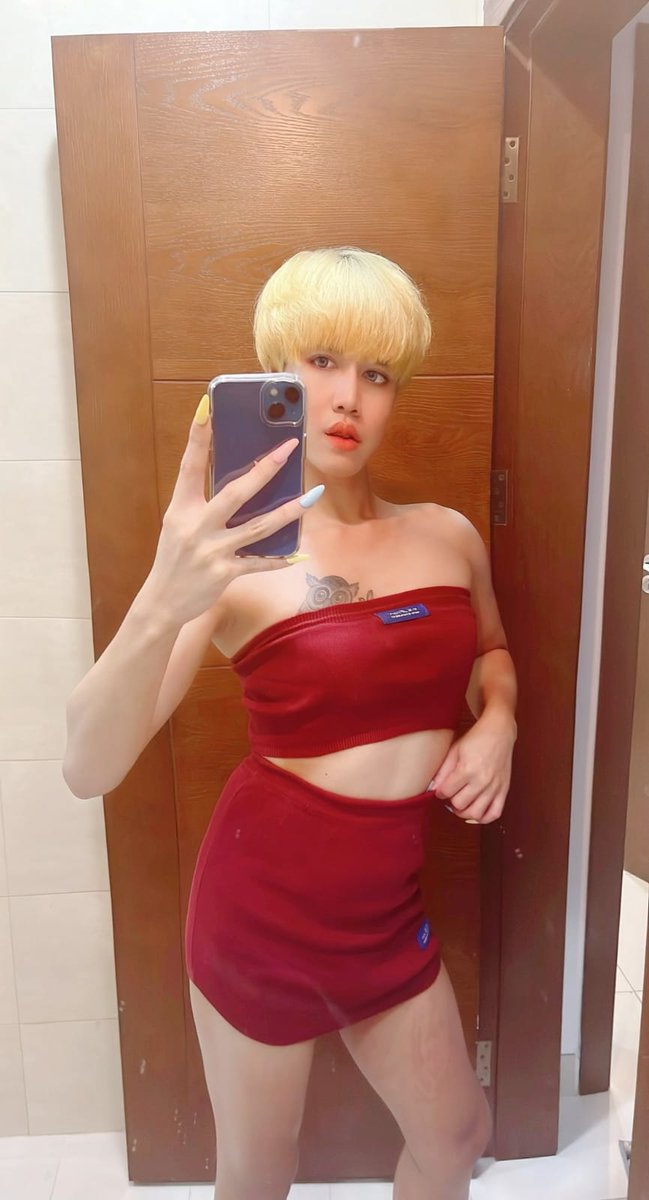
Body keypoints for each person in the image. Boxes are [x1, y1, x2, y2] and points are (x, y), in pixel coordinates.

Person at [63, 247, 517, 1200]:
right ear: (275, 373)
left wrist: (498, 723)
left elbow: (489, 652)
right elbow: (87, 765)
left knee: (456, 1137)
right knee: (261, 1170)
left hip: (385, 910)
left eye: (377, 373)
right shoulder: (233, 563)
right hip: (259, 916)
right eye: (320, 362)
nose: (347, 396)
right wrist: (165, 594)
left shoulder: (447, 534)